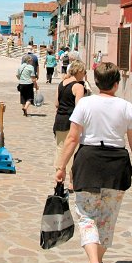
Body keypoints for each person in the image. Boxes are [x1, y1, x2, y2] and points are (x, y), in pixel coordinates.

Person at [55, 62, 132, 263]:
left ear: (95, 82)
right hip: (116, 166)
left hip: (89, 162)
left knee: (87, 217)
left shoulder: (85, 104)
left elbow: (73, 138)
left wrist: (61, 166)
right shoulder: (126, 107)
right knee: (107, 218)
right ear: (117, 83)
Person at [53, 60, 87, 190]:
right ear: (79, 71)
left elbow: (56, 103)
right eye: (84, 72)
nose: (84, 74)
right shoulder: (78, 87)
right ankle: (72, 182)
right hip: (72, 121)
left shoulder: (62, 83)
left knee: (60, 150)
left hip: (59, 120)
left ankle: (59, 177)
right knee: (73, 151)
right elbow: (80, 107)